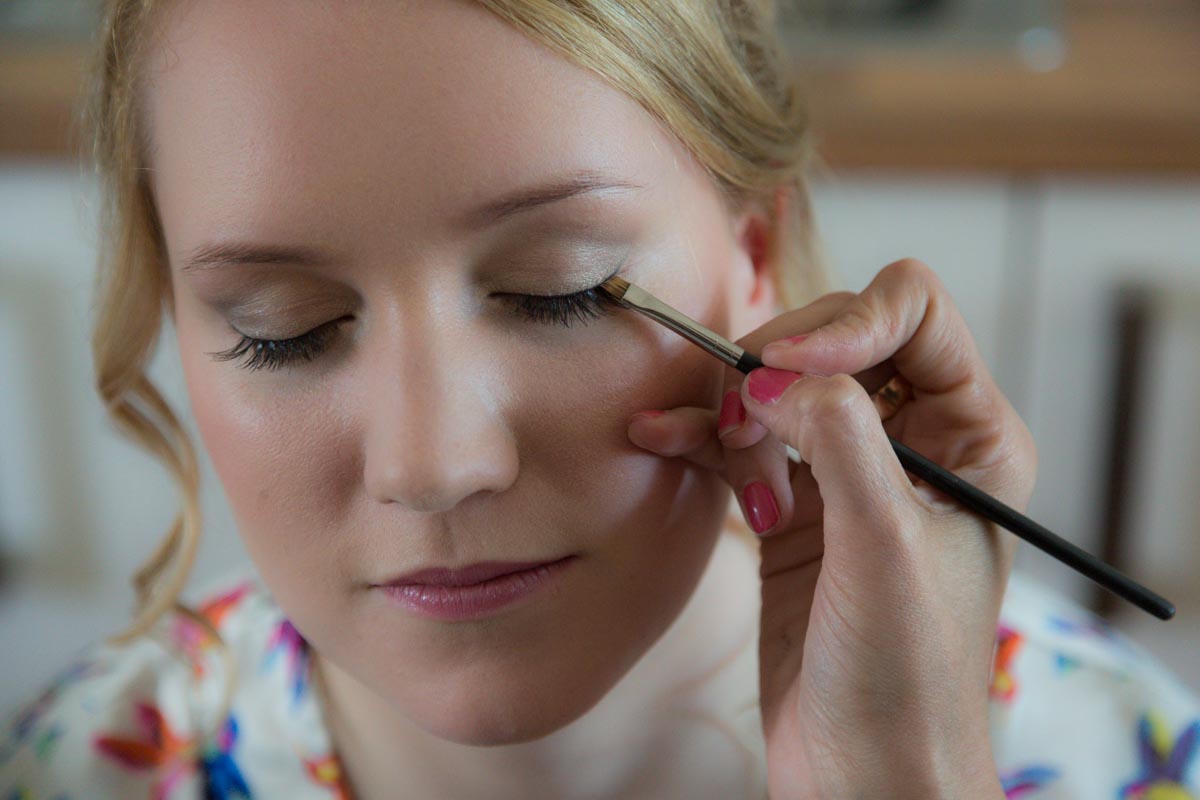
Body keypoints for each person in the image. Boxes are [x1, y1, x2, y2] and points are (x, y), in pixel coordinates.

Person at [2, 1, 1198, 798]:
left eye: (559, 291)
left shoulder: (1120, 753)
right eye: (285, 329)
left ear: (752, 257)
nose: (434, 464)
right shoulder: (82, 767)